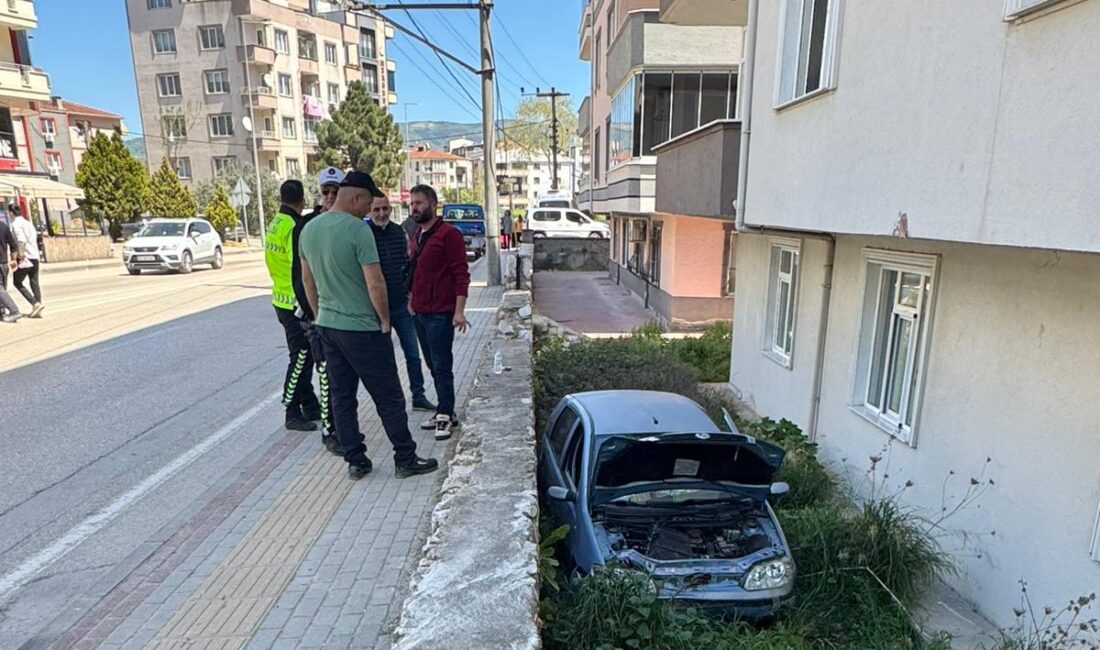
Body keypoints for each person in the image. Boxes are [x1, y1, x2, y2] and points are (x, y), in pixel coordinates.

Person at [299, 171, 438, 480]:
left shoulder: (309, 230)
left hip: (328, 328)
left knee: (342, 395)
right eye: (368, 202)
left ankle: (356, 459)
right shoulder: (359, 231)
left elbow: (308, 281)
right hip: (363, 328)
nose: (370, 209)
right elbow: (375, 283)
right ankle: (405, 457)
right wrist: (385, 320)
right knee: (388, 396)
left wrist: (320, 314)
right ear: (357, 197)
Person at [405, 184, 470, 441]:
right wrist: (412, 299)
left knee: (442, 364)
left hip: (441, 313)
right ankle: (446, 409)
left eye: (419, 203)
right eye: (412, 204)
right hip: (420, 312)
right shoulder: (417, 235)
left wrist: (459, 310)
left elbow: (461, 273)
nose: (414, 208)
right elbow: (415, 272)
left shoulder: (448, 234)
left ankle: (445, 413)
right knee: (432, 363)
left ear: (433, 204)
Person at [290, 168, 345, 455]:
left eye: (336, 192)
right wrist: (313, 315)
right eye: (326, 192)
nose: (331, 197)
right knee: (325, 374)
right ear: (319, 194)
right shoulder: (306, 226)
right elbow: (299, 276)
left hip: (344, 315)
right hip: (318, 316)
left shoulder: (348, 223)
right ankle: (330, 430)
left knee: (342, 378)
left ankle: (343, 425)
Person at [366, 194, 436, 413]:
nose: (381, 214)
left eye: (385, 209)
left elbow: (409, 264)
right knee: (384, 359)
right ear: (369, 211)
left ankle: (418, 395)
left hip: (401, 305)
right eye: (376, 209)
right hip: (377, 309)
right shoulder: (364, 235)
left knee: (413, 354)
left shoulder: (399, 232)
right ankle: (391, 401)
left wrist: (411, 296)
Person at [265, 180, 322, 433]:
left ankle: (310, 405)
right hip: (294, 302)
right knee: (300, 358)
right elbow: (299, 268)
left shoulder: (276, 223)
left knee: (304, 355)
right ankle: (291, 410)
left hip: (280, 298)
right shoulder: (293, 227)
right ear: (302, 201)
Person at [10, 204, 43, 317]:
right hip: (35, 256)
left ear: (11, 213)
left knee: (17, 282)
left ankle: (35, 304)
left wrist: (20, 255)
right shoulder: (28, 223)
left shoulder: (15, 224)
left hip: (26, 257)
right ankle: (38, 306)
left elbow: (21, 241)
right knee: (34, 283)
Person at [0, 217, 20, 323]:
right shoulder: (4, 226)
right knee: (2, 289)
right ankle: (1, 313)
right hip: (3, 263)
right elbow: (13, 245)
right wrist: (13, 259)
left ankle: (14, 311)